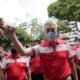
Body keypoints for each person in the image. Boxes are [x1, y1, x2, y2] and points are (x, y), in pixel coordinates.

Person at [0, 18, 78, 80]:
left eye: (52, 29)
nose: (50, 32)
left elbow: (71, 63)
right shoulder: (40, 48)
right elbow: (23, 52)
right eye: (47, 30)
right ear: (44, 32)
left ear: (56, 30)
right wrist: (12, 35)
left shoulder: (65, 45)